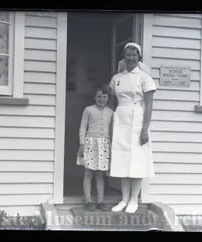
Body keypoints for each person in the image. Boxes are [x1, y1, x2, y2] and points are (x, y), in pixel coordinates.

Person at [108, 42, 156, 214]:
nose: (130, 58)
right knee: (122, 158)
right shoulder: (117, 78)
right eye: (127, 55)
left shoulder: (145, 78)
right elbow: (112, 101)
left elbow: (149, 106)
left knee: (136, 160)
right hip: (121, 119)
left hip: (138, 120)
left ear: (139, 57)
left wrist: (145, 129)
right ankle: (124, 199)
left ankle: (134, 199)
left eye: (134, 55)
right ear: (124, 56)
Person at [77, 84, 114, 212]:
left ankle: (100, 201)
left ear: (108, 98)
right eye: (99, 96)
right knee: (88, 173)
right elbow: (82, 128)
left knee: (100, 174)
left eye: (104, 97)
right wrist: (82, 144)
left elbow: (112, 130)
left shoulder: (111, 112)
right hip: (90, 144)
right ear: (94, 97)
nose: (101, 99)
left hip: (104, 145)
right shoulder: (88, 110)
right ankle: (88, 200)